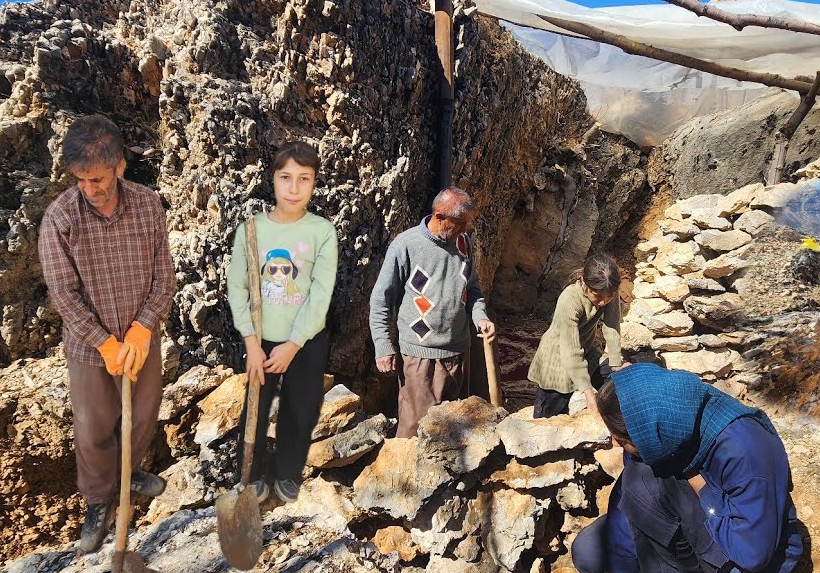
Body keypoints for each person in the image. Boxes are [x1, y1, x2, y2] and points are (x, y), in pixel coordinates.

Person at [567, 363, 804, 573]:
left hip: (749, 549)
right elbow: (627, 492)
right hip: (691, 510)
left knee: (645, 479)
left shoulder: (745, 450)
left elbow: (754, 553)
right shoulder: (659, 425)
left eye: (621, 439)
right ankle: (668, 566)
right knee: (590, 553)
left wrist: (695, 479)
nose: (616, 446)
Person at [38, 114, 175, 554]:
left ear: (120, 166)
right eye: (80, 180)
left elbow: (163, 277)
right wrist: (104, 341)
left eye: (97, 178)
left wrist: (141, 329)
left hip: (140, 339)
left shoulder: (149, 204)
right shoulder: (60, 218)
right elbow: (63, 292)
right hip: (90, 347)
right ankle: (98, 500)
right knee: (94, 426)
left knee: (142, 413)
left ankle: (128, 474)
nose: (89, 189)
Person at [226, 141, 338, 504]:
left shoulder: (322, 231)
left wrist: (294, 343)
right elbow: (238, 286)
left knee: (300, 406)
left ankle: (288, 471)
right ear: (272, 180)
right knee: (255, 408)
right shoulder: (251, 230)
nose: (294, 188)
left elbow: (321, 293)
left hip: (305, 340)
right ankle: (251, 473)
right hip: (260, 340)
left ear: (314, 182)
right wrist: (251, 343)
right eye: (286, 177)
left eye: (304, 179)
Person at [369, 187, 496, 437]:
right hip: (421, 357)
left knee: (457, 428)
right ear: (439, 217)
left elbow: (473, 289)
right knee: (415, 430)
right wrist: (382, 345)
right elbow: (380, 300)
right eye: (460, 223)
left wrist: (480, 316)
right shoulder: (405, 246)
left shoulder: (463, 243)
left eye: (466, 224)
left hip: (459, 352)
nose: (464, 229)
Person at [527, 253, 625, 417]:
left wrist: (616, 362)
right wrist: (588, 393)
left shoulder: (608, 290)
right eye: (597, 296)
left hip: (587, 346)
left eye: (609, 297)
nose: (603, 302)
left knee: (612, 386)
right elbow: (571, 350)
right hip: (558, 357)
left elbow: (612, 326)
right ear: (585, 283)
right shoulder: (570, 299)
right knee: (550, 415)